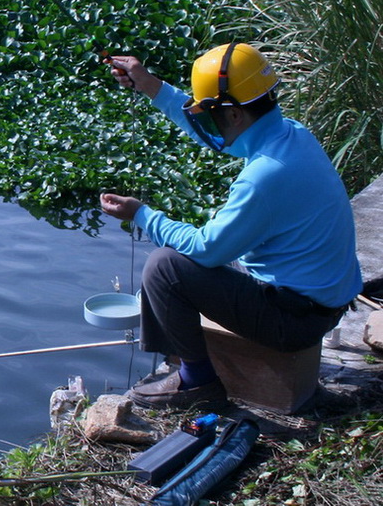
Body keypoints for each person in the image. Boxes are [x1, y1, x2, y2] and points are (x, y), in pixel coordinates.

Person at [100, 43, 363, 409]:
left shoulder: (264, 178)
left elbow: (208, 250)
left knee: (164, 268)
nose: (204, 122)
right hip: (319, 301)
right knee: (180, 265)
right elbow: (218, 136)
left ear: (236, 115)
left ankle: (197, 383)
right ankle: (179, 360)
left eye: (208, 113)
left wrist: (142, 215)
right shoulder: (289, 134)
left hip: (296, 320)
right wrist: (151, 87)